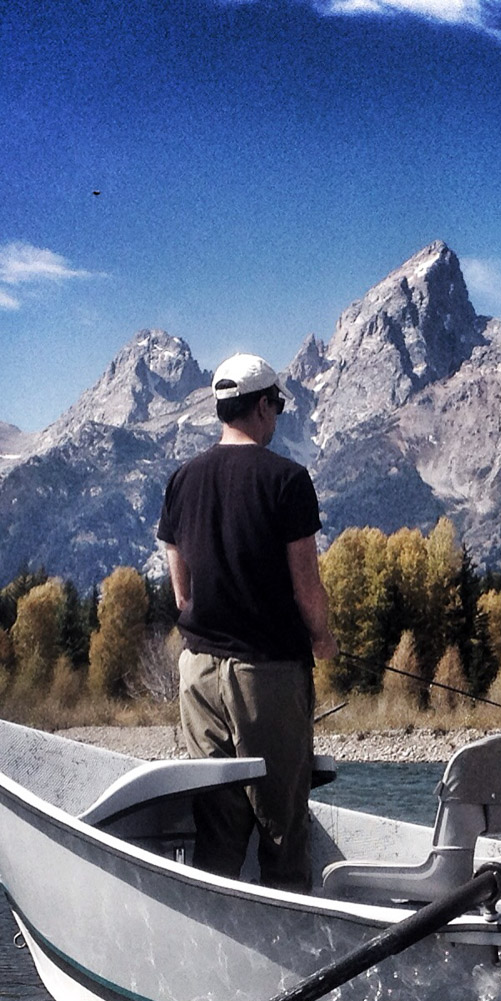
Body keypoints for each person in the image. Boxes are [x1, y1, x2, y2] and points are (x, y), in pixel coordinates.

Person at [157, 352, 338, 891]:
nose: (277, 418)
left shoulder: (182, 480)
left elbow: (182, 591)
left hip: (196, 677)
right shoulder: (287, 480)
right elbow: (307, 586)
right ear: (262, 406)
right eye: (277, 407)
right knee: (282, 824)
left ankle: (219, 941)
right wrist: (323, 638)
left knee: (218, 824)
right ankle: (293, 957)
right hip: (268, 675)